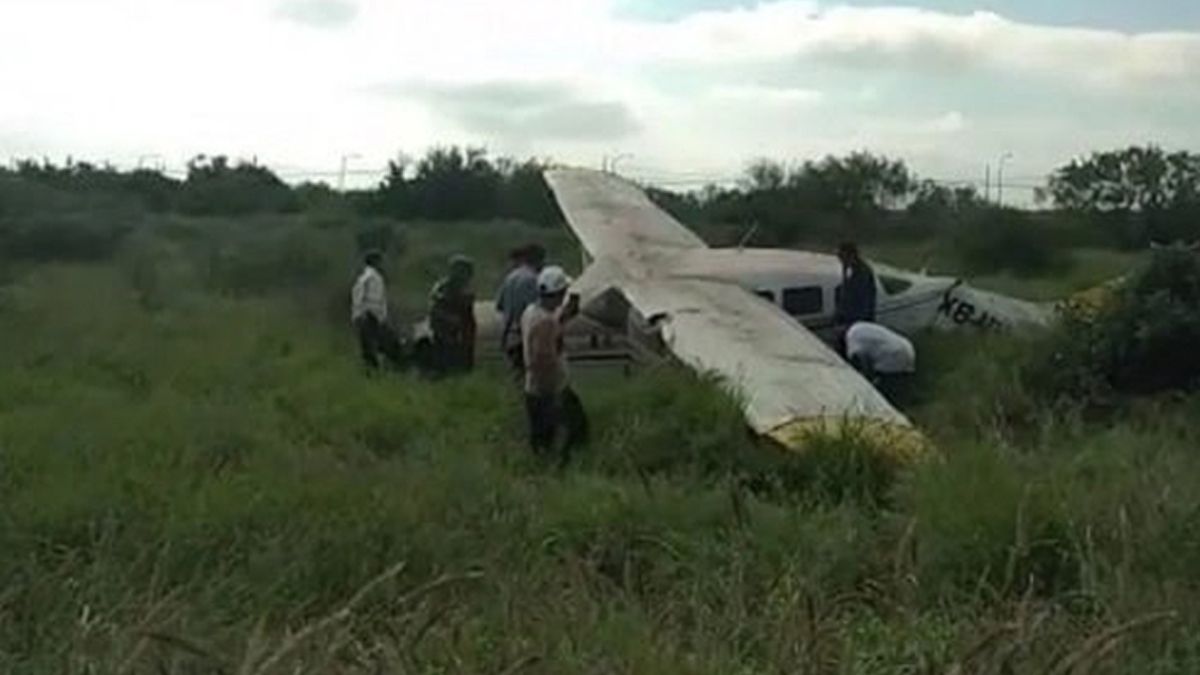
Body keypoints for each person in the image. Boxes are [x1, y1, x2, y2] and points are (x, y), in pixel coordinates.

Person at [521, 265, 588, 467]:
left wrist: (569, 311)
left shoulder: (531, 312)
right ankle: (559, 470)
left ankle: (545, 472)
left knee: (543, 438)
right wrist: (553, 394)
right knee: (572, 432)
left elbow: (555, 323)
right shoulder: (545, 323)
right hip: (548, 389)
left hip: (535, 388)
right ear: (557, 294)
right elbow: (543, 359)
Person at [495, 244, 546, 377]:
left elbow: (499, 306)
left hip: (509, 336)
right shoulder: (533, 280)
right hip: (526, 336)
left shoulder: (510, 278)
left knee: (517, 377)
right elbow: (536, 311)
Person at [350, 250, 404, 371]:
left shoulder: (361, 278)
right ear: (376, 262)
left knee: (368, 349)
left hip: (360, 316)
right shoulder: (375, 278)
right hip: (371, 317)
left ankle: (371, 372)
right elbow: (373, 301)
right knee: (388, 346)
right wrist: (381, 319)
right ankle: (391, 370)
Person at [428, 254, 477, 374]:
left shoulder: (464, 287)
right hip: (445, 326)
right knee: (445, 354)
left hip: (461, 327)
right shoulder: (443, 286)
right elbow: (435, 304)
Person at [844, 321, 915, 403]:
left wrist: (865, 381)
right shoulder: (857, 327)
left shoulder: (852, 342)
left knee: (882, 386)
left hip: (893, 354)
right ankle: (906, 393)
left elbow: (862, 361)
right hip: (906, 346)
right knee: (899, 377)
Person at [834, 242, 877, 325]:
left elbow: (859, 299)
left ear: (851, 256)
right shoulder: (850, 269)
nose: (840, 260)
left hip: (859, 319)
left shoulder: (862, 273)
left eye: (842, 257)